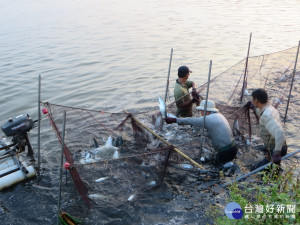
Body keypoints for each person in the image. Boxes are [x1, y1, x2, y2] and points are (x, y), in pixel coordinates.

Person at [165, 99, 238, 164]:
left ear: (207, 111)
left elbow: (191, 120)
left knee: (217, 169)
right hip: (234, 148)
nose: (201, 113)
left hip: (225, 152)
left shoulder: (208, 119)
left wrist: (174, 120)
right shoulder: (219, 115)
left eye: (202, 111)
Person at [246, 88, 287, 169]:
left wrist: (277, 153)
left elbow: (279, 132)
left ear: (256, 100)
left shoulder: (267, 114)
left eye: (252, 98)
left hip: (276, 149)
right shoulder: (269, 108)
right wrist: (254, 108)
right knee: (269, 168)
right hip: (280, 146)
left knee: (255, 172)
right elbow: (261, 113)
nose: (251, 100)